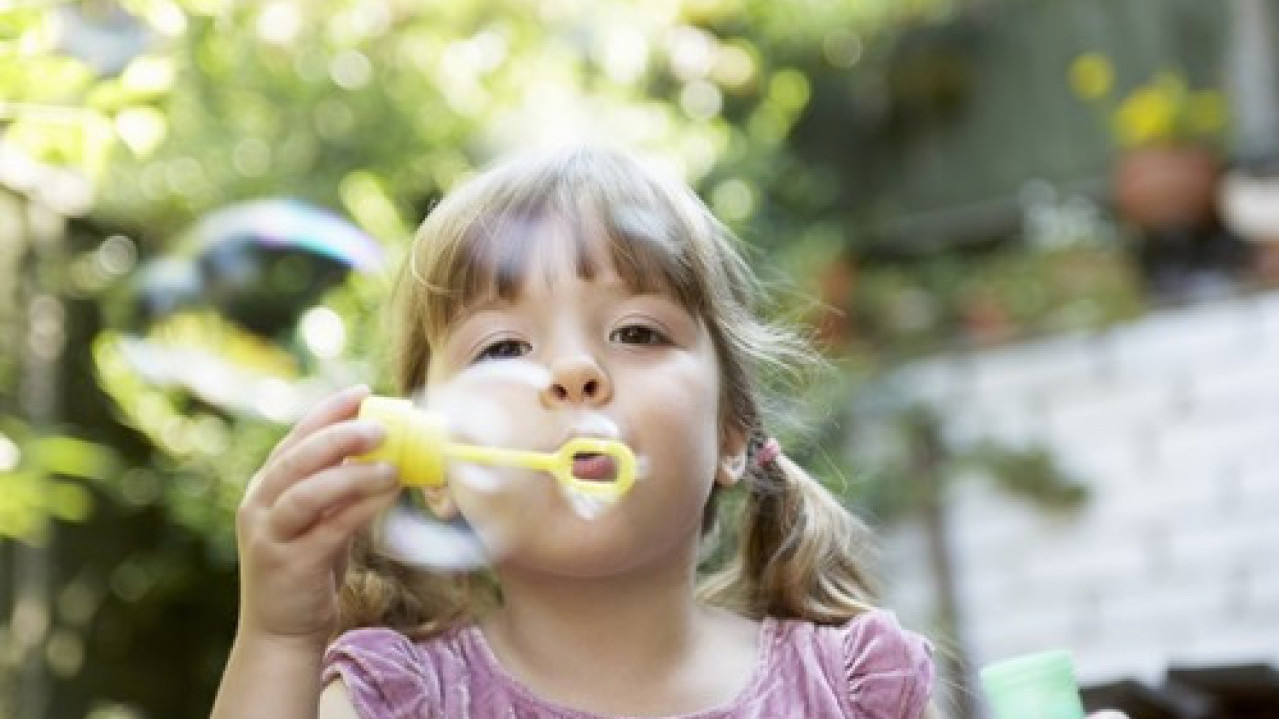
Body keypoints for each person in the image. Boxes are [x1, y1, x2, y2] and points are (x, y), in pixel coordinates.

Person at [208, 146, 1123, 719]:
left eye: (637, 332)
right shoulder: (400, 702)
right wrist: (280, 638)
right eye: (503, 346)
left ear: (731, 433)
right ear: (435, 464)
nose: (573, 373)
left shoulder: (849, 688)